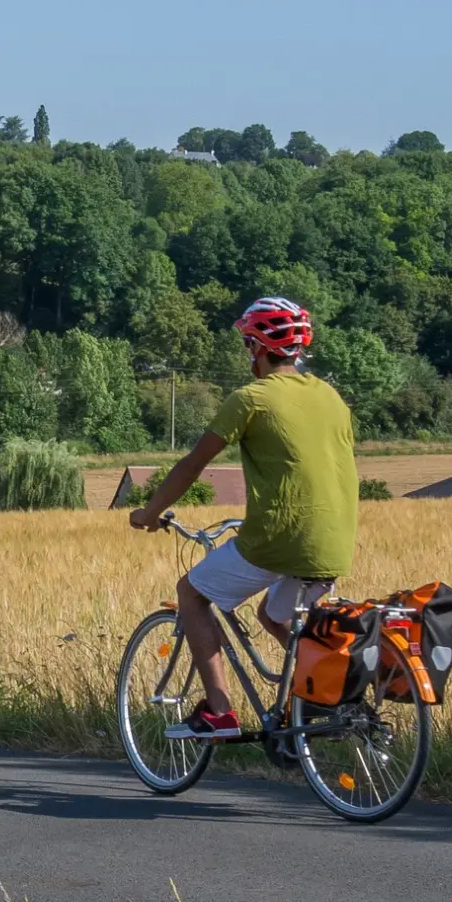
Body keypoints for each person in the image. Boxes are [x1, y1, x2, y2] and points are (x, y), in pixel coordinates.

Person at [129, 297, 358, 739]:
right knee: (274, 616)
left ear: (256, 347)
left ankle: (220, 712)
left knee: (191, 594)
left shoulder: (251, 398)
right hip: (335, 541)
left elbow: (193, 465)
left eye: (247, 344)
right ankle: (313, 699)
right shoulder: (330, 396)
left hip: (278, 538)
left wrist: (149, 512)